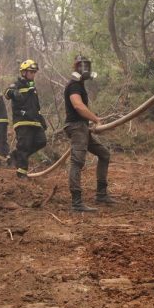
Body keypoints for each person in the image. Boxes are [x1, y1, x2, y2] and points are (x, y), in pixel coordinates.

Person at [63, 55, 117, 211]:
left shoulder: (80, 85)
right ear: (76, 67)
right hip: (76, 127)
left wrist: (91, 122)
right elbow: (78, 106)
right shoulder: (73, 85)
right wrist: (95, 119)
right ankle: (77, 202)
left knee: (104, 154)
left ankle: (101, 194)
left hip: (82, 127)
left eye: (87, 65)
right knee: (77, 162)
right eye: (81, 66)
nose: (85, 69)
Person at [6, 60, 47, 179]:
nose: (33, 74)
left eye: (34, 72)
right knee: (24, 146)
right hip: (22, 121)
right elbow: (7, 93)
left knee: (41, 141)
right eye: (31, 72)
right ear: (23, 72)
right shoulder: (17, 84)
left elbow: (36, 106)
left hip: (34, 121)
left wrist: (41, 120)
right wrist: (14, 93)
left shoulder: (33, 87)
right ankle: (21, 174)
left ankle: (16, 155)